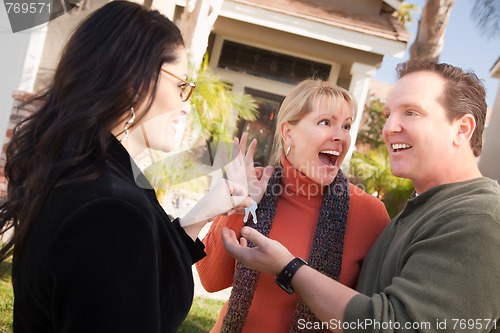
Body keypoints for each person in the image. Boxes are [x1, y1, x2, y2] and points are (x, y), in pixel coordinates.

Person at [0, 2, 257, 332]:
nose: (186, 103)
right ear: (135, 81)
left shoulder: (86, 171)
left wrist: (203, 213)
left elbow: (143, 279)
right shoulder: (110, 208)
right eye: (182, 85)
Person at [222, 59, 500, 332]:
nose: (389, 128)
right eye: (389, 114)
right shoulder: (419, 211)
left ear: (462, 129)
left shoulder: (480, 220)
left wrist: (289, 268)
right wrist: (241, 205)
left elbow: (395, 323)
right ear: (288, 133)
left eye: (411, 112)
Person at [196, 79, 390, 332]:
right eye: (326, 122)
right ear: (289, 132)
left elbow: (372, 317)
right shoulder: (255, 184)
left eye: (346, 126)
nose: (340, 135)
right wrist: (240, 204)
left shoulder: (370, 213)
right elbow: (211, 281)